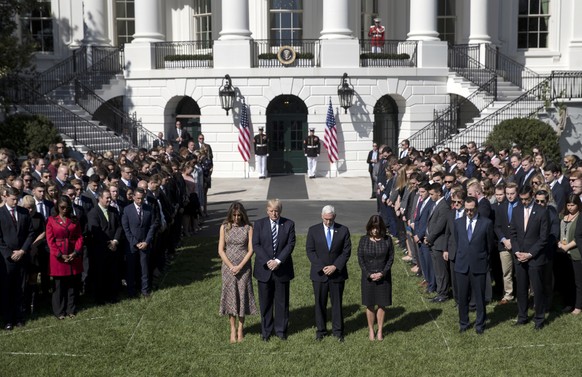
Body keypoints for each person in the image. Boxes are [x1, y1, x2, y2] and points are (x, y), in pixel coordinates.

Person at [306, 205, 352, 342]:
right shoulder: (313, 230)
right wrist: (322, 267)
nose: (328, 222)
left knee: (337, 303)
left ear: (334, 217)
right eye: (325, 219)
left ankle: (338, 331)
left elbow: (346, 251)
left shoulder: (343, 230)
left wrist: (335, 266)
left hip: (337, 274)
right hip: (319, 274)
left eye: (330, 220)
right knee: (320, 304)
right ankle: (321, 331)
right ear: (321, 216)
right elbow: (310, 251)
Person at [252, 199, 296, 341]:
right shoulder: (259, 224)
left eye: (276, 210)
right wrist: (268, 261)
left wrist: (278, 261)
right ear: (267, 210)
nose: (274, 213)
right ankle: (266, 331)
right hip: (264, 269)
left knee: (282, 302)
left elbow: (290, 244)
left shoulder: (288, 224)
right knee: (265, 302)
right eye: (271, 211)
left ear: (280, 211)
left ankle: (281, 331)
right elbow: (256, 245)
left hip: (282, 269)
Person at [453, 197, 494, 334]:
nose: (469, 212)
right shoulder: (458, 223)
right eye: (467, 210)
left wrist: (483, 259)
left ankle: (480, 324)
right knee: (462, 297)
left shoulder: (486, 223)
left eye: (471, 209)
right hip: (462, 265)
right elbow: (458, 242)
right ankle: (463, 323)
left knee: (479, 297)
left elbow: (489, 246)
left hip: (479, 265)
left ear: (476, 208)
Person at [510, 185, 549, 330]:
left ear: (532, 196)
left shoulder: (541, 212)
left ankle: (539, 318)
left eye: (526, 199)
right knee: (521, 288)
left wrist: (530, 254)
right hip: (519, 256)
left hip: (535, 257)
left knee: (537, 289)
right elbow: (513, 234)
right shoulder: (516, 210)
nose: (524, 202)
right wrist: (517, 252)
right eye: (522, 199)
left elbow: (543, 238)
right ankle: (522, 316)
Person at [218, 202, 257, 343]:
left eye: (239, 215)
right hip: (228, 268)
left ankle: (241, 328)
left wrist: (240, 266)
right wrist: (231, 266)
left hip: (244, 267)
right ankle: (232, 329)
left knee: (242, 295)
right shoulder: (224, 228)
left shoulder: (248, 228)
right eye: (234, 215)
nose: (236, 218)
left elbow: (251, 249)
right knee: (231, 296)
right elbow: (220, 250)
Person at [0, 187, 35, 330]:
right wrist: (9, 253)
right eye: (13, 199)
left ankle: (19, 317)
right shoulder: (0, 214)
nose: (15, 202)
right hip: (7, 260)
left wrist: (22, 250)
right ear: (5, 197)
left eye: (17, 199)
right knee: (7, 288)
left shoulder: (24, 212)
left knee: (20, 288)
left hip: (21, 257)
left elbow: (31, 233)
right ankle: (8, 319)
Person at [45, 195, 84, 320]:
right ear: (57, 207)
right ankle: (59, 311)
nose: (64, 210)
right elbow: (50, 240)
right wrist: (59, 255)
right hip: (58, 257)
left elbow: (79, 237)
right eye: (62, 208)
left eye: (67, 208)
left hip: (72, 255)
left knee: (72, 285)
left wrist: (76, 252)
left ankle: (71, 309)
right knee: (59, 286)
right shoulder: (51, 220)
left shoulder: (74, 220)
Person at [357, 215, 394, 341]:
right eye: (373, 228)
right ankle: (371, 330)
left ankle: (380, 330)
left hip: (383, 277)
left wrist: (382, 273)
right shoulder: (363, 240)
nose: (375, 231)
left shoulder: (387, 240)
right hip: (368, 277)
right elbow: (360, 259)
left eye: (377, 228)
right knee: (369, 304)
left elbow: (390, 259)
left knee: (382, 304)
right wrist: (368, 274)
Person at [121, 187, 159, 298]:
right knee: (131, 268)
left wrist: (146, 241)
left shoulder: (148, 209)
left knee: (144, 268)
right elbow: (126, 228)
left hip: (145, 244)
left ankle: (145, 290)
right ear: (133, 197)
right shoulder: (127, 210)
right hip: (132, 245)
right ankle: (131, 291)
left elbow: (152, 226)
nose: (140, 201)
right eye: (138, 199)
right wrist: (134, 242)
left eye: (142, 199)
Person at [87, 189, 123, 304]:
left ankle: (113, 295)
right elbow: (96, 232)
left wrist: (115, 241)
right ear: (100, 198)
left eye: (109, 197)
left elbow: (119, 227)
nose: (109, 199)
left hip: (113, 248)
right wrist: (108, 243)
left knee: (113, 272)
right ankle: (101, 298)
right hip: (100, 249)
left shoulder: (113, 210)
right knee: (101, 274)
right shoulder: (93, 213)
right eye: (107, 198)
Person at [425, 182, 451, 302]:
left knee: (441, 271)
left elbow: (440, 226)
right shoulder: (436, 204)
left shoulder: (444, 206)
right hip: (433, 242)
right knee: (437, 270)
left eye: (432, 194)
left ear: (439, 193)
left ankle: (443, 293)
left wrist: (429, 238)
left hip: (438, 243)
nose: (430, 196)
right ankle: (440, 292)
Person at [493, 182, 518, 305]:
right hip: (504, 245)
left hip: (518, 244)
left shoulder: (521, 207)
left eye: (512, 193)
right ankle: (508, 294)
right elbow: (497, 226)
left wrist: (513, 241)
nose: (509, 196)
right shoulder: (500, 207)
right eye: (507, 193)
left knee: (520, 271)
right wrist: (504, 239)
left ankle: (525, 292)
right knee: (506, 271)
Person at [558, 194, 582, 314]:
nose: (570, 207)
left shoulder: (580, 218)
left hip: (575, 253)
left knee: (578, 281)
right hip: (562, 253)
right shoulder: (562, 216)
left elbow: (579, 237)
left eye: (573, 205)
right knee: (566, 280)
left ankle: (578, 306)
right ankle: (568, 303)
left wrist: (567, 246)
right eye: (568, 205)